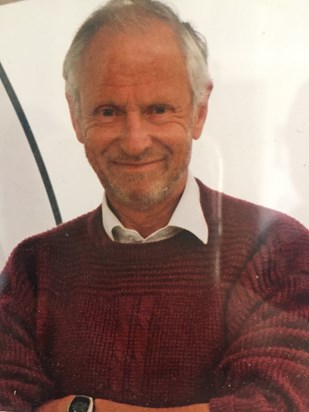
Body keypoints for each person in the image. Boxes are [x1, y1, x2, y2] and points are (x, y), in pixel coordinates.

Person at [0, 0, 308, 411]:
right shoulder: (33, 267)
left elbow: (281, 403)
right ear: (75, 116)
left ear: (200, 111)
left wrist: (84, 408)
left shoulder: (279, 249)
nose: (135, 141)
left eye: (158, 110)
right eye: (108, 111)